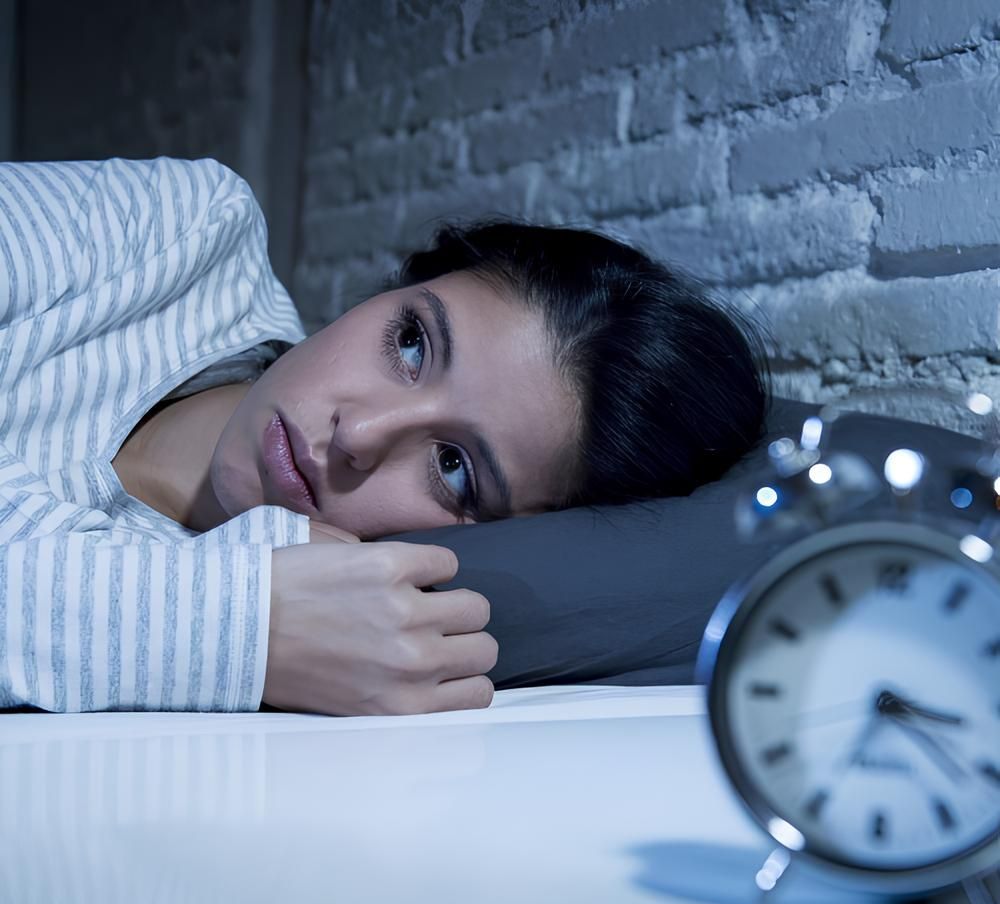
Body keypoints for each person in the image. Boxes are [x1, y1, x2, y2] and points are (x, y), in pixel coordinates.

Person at [0, 156, 770, 717]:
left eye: (454, 469)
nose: (358, 434)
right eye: (409, 342)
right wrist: (241, 628)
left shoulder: (340, 645)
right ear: (394, 287)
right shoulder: (181, 233)